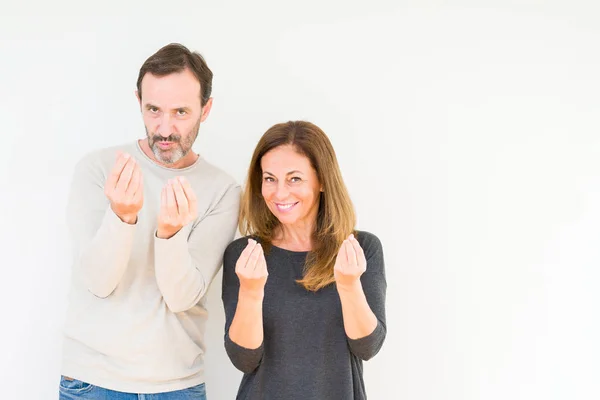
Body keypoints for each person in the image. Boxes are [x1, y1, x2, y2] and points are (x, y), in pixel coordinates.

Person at [59, 43, 240, 399]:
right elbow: (98, 281)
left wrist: (170, 234)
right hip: (93, 382)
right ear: (138, 100)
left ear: (206, 109)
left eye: (181, 112)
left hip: (177, 387)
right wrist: (122, 217)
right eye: (153, 109)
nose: (165, 128)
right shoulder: (98, 169)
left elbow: (181, 296)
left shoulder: (222, 190)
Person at [221, 120, 387, 399]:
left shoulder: (361, 248)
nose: (280, 193)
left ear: (322, 180)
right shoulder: (244, 254)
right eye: (270, 178)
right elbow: (244, 360)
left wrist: (348, 285)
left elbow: (367, 347)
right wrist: (250, 292)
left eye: (294, 178)